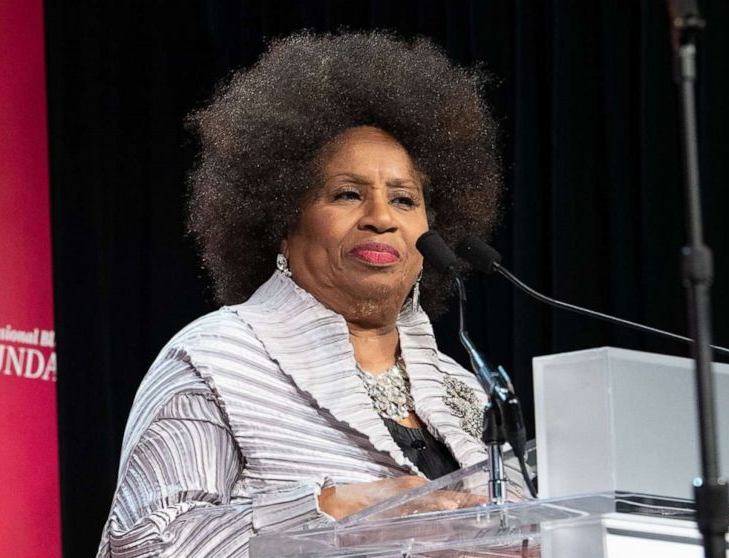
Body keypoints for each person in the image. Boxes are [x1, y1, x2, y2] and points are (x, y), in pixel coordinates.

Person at [97, 31, 502, 557]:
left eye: (404, 200)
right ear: (282, 222)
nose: (381, 218)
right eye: (348, 194)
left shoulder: (465, 386)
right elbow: (146, 545)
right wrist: (344, 508)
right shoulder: (214, 359)